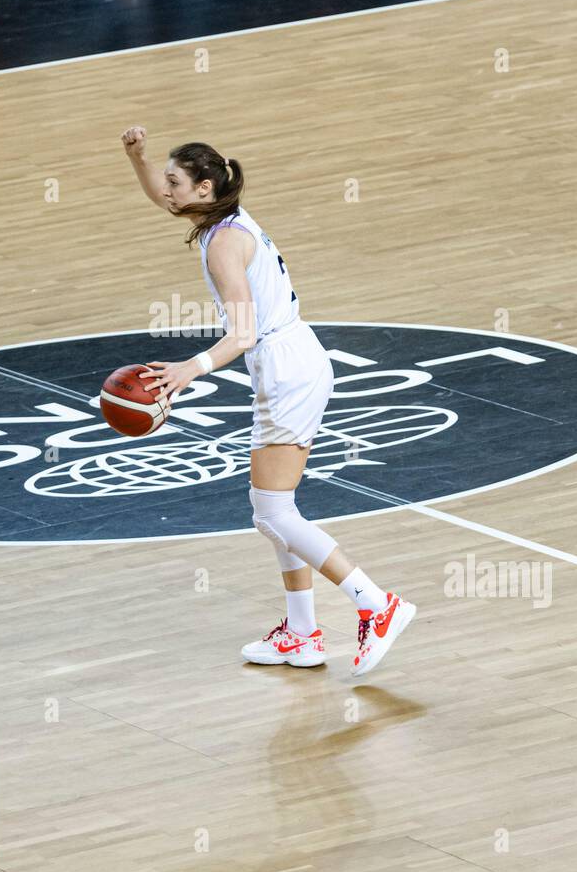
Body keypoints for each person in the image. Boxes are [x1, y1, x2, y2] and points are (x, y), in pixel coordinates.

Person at [121, 127, 417, 676]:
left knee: (273, 511)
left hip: (286, 368)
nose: (165, 191)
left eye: (173, 182)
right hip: (290, 364)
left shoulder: (224, 246)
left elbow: (242, 335)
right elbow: (161, 201)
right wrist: (138, 159)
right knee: (276, 510)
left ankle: (376, 604)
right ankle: (302, 634)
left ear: (204, 189)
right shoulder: (221, 218)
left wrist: (191, 368)